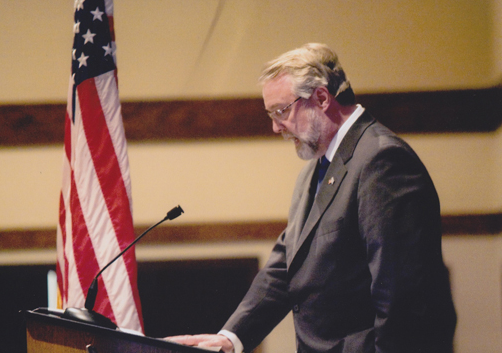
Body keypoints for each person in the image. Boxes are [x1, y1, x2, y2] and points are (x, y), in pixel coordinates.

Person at [167, 43, 457, 353]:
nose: (276, 126)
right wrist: (231, 338)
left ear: (321, 97)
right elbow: (286, 266)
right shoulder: (314, 170)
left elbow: (404, 304)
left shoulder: (381, 160)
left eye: (281, 111)